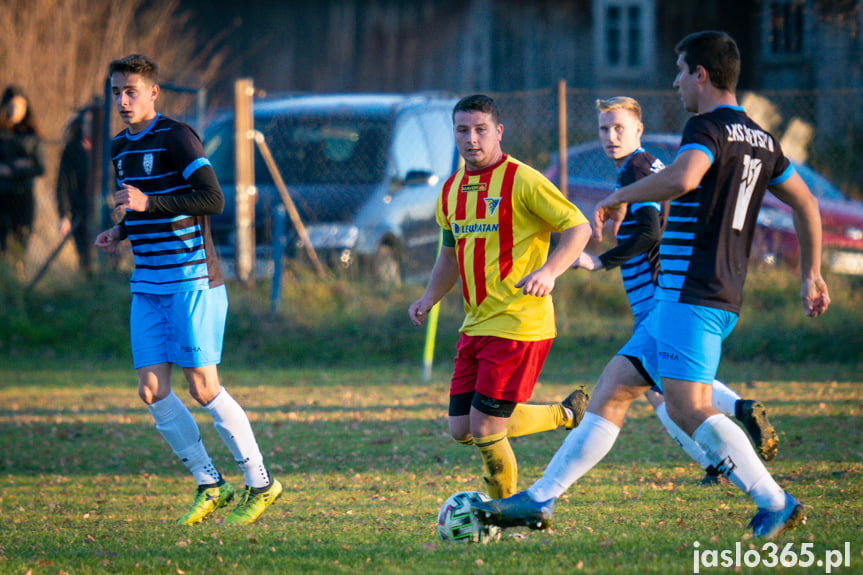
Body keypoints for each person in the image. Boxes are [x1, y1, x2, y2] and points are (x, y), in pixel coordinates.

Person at [473, 31, 830, 540]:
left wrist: (614, 198)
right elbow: (807, 203)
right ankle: (541, 498)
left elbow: (686, 176)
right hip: (690, 295)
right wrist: (810, 272)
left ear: (701, 74)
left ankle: (774, 500)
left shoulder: (707, 126)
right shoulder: (760, 138)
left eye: (681, 70)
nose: (675, 80)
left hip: (694, 292)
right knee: (615, 388)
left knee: (688, 407)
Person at [95, 54, 281, 526]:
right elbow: (142, 210)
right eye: (116, 91)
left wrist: (147, 201)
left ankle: (260, 483)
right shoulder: (119, 146)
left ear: (154, 92)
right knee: (152, 390)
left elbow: (211, 198)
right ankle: (210, 483)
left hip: (192, 280)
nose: (121, 99)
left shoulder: (177, 136)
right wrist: (120, 231)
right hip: (148, 283)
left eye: (130, 90)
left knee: (203, 387)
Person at [574, 96, 778, 485]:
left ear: (639, 131)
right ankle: (725, 443)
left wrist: (600, 261)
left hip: (657, 291)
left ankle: (726, 444)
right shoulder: (644, 168)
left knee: (664, 386)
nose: (611, 137)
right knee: (667, 386)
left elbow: (651, 228)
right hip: (666, 288)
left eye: (619, 128)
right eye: (604, 129)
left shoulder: (636, 169)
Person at [409, 94, 592, 499]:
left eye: (480, 130)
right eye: (462, 130)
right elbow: (449, 253)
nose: (471, 138)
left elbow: (579, 228)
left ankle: (504, 508)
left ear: (498, 132)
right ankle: (564, 414)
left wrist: (549, 271)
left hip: (519, 323)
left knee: (487, 428)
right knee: (461, 429)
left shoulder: (523, 180)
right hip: (475, 323)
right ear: (453, 133)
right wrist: (428, 298)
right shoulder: (451, 190)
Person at [0, 84, 44, 254]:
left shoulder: (32, 135)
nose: (15, 110)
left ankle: (18, 276)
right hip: (2, 196)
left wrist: (13, 170)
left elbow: (40, 167)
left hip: (23, 196)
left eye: (19, 106)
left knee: (20, 244)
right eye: (11, 105)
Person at [57, 108, 96, 274]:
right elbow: (63, 184)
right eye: (87, 122)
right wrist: (64, 214)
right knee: (84, 255)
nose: (90, 126)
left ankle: (105, 284)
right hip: (79, 209)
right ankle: (89, 285)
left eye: (94, 123)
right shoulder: (72, 149)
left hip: (103, 209)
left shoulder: (109, 147)